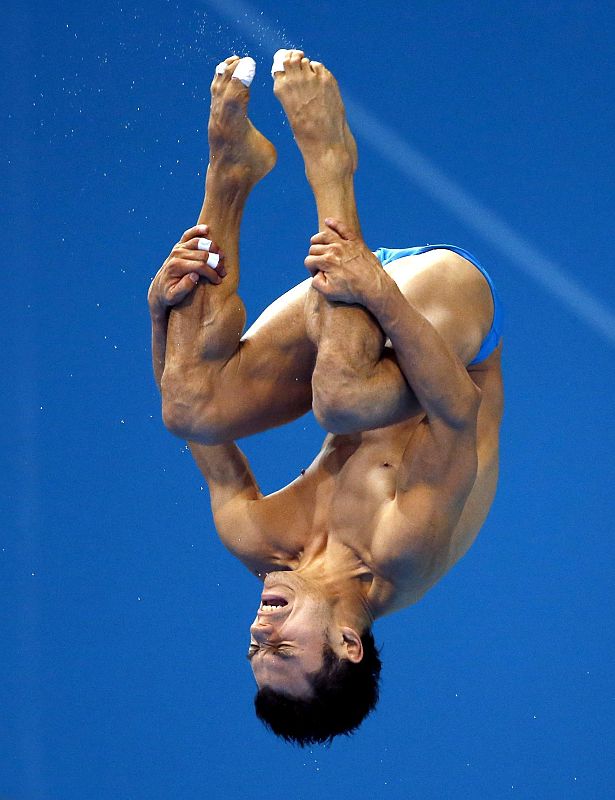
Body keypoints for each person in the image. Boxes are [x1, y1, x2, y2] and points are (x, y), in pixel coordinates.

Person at [148, 51, 504, 745]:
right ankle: (332, 166)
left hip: (352, 330)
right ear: (347, 644)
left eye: (254, 648)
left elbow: (187, 412)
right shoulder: (402, 551)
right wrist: (376, 290)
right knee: (341, 403)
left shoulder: (258, 541)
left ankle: (230, 170)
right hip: (446, 317)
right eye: (281, 646)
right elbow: (455, 408)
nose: (260, 630)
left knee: (188, 408)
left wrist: (159, 313)